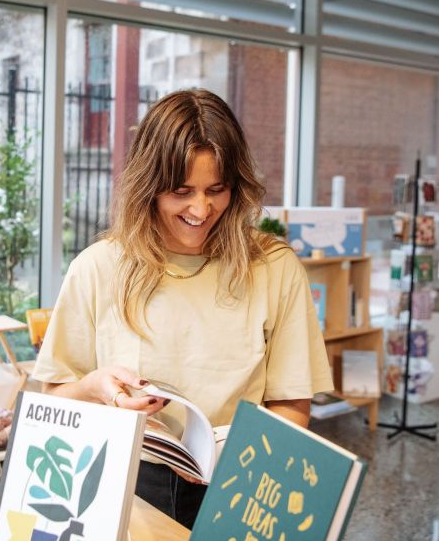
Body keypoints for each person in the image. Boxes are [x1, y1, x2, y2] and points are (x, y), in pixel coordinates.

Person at [31, 88, 334, 529]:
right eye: (181, 191)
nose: (201, 209)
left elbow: (292, 403)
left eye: (217, 189)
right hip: (124, 479)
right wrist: (95, 387)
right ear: (148, 187)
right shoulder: (98, 267)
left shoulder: (274, 267)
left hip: (239, 480)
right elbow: (54, 400)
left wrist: (252, 457)